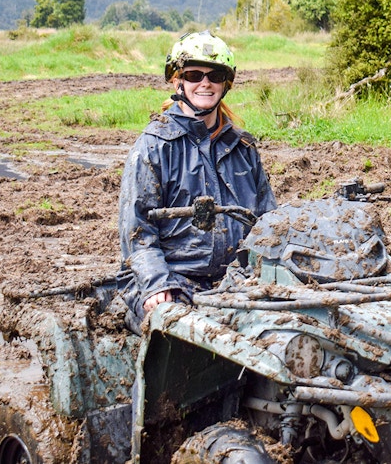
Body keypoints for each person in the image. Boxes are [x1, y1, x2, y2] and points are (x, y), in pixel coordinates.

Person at [117, 30, 276, 326]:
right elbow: (137, 232)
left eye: (215, 75)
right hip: (173, 281)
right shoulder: (153, 146)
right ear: (177, 81)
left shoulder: (243, 147)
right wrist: (156, 284)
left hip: (235, 280)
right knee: (181, 335)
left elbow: (269, 221)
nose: (205, 83)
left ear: (225, 84)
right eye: (193, 75)